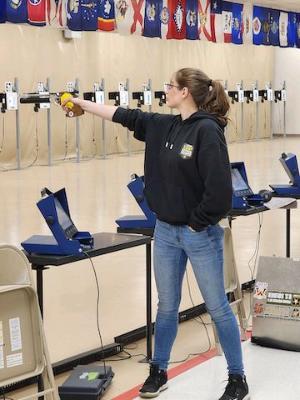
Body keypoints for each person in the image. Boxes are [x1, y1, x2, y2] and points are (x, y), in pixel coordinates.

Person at [61, 68, 250, 400]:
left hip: (198, 234)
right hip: (164, 232)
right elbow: (123, 115)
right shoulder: (165, 125)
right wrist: (82, 104)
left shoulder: (207, 132)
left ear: (185, 93)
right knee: (166, 306)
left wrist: (196, 222)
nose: (166, 90)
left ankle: (237, 378)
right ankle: (158, 370)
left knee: (218, 306)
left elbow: (219, 192)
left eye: (170, 86)